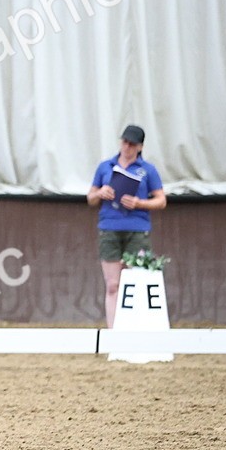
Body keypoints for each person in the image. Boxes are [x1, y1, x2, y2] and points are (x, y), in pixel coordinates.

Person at [87, 124, 167, 327]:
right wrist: (100, 193)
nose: (127, 147)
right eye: (125, 142)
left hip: (137, 228)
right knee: (113, 285)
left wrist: (139, 203)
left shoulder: (148, 170)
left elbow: (161, 200)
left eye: (132, 144)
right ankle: (114, 333)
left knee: (138, 282)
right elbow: (90, 198)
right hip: (110, 227)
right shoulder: (105, 167)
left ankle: (138, 329)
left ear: (140, 147)